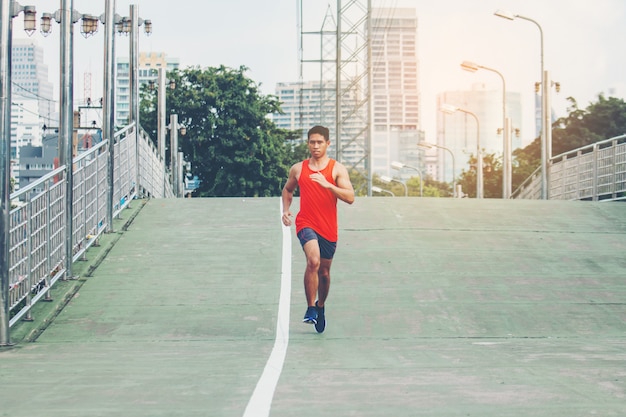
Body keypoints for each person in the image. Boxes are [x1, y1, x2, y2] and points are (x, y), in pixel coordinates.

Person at [281, 125, 355, 333]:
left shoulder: (336, 169)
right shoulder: (298, 168)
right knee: (313, 261)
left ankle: (321, 306)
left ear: (328, 144)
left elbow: (350, 198)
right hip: (306, 223)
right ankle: (310, 308)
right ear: (308, 144)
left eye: (319, 142)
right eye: (312, 142)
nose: (315, 146)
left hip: (329, 228)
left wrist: (328, 185)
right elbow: (288, 189)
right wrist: (286, 210)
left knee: (324, 273)